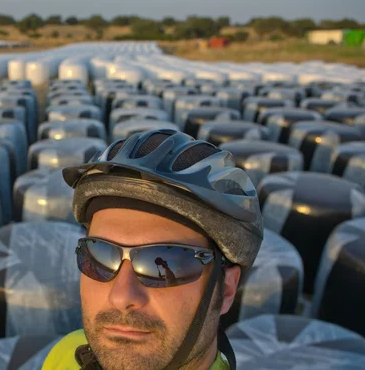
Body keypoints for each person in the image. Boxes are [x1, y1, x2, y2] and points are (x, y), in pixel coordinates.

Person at [41, 129, 263, 370]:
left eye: (165, 262)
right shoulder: (66, 355)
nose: (121, 297)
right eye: (99, 256)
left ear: (227, 290)